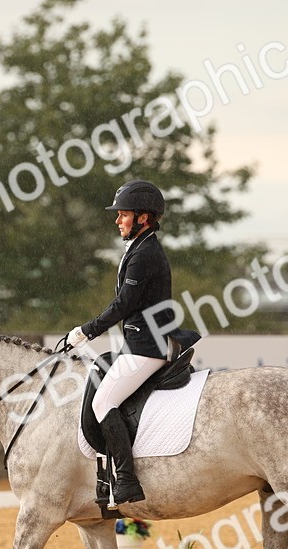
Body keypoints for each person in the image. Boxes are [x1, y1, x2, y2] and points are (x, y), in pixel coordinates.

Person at [66, 179, 177, 504]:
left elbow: (124, 304)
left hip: (147, 348)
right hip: (140, 343)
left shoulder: (145, 254)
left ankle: (126, 480)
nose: (117, 221)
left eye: (123, 215)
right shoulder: (141, 248)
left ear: (143, 218)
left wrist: (86, 331)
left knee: (103, 403)